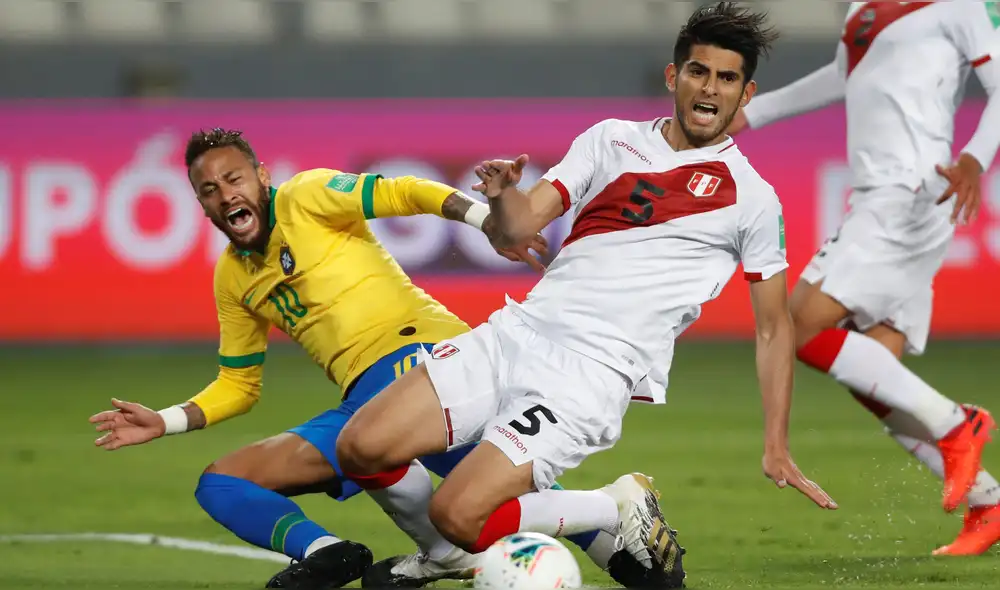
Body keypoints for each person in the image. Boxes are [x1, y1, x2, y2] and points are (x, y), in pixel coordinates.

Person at [335, 3, 836, 588]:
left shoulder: (752, 198)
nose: (711, 89)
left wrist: (776, 442)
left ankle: (610, 507)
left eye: (727, 79)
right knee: (362, 446)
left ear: (746, 94)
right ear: (674, 78)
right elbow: (520, 230)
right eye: (699, 72)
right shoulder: (610, 140)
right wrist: (502, 197)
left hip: (588, 374)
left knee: (461, 514)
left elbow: (774, 327)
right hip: (517, 334)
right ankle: (447, 553)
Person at [87, 128, 622, 590]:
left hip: (427, 365)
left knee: (504, 496)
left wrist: (486, 221)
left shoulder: (306, 196)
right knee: (222, 483)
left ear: (261, 176)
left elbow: (407, 191)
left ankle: (608, 522)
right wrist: (166, 420)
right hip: (362, 407)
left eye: (234, 179)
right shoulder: (233, 277)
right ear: (200, 204)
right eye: (210, 189)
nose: (226, 194)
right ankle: (327, 552)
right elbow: (239, 385)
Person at [728, 0, 1000, 556]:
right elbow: (841, 77)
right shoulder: (862, 9)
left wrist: (975, 157)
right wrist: (752, 114)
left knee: (797, 326)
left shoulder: (959, 5)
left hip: (911, 191)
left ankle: (956, 425)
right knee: (877, 375)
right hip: (881, 196)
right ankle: (989, 503)